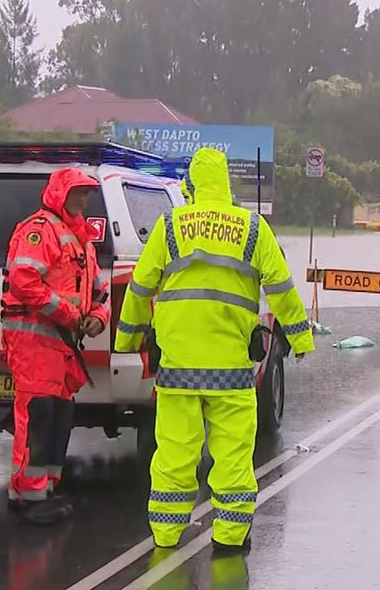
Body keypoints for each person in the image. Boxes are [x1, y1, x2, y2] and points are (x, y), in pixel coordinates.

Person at [116, 147, 315, 553]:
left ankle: (166, 535)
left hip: (178, 369)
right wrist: (299, 338)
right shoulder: (253, 228)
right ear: (225, 183)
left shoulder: (170, 226)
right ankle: (230, 537)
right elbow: (280, 286)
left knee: (174, 453)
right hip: (231, 370)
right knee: (233, 456)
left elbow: (140, 286)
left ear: (192, 183)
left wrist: (127, 339)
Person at [0, 168, 110, 525]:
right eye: (77, 192)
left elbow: (99, 291)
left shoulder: (81, 239)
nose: (82, 199)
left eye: (87, 194)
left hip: (62, 344)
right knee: (38, 416)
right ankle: (28, 497)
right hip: (34, 340)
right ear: (60, 194)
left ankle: (43, 489)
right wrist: (68, 314)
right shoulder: (40, 230)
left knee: (58, 417)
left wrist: (98, 317)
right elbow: (23, 281)